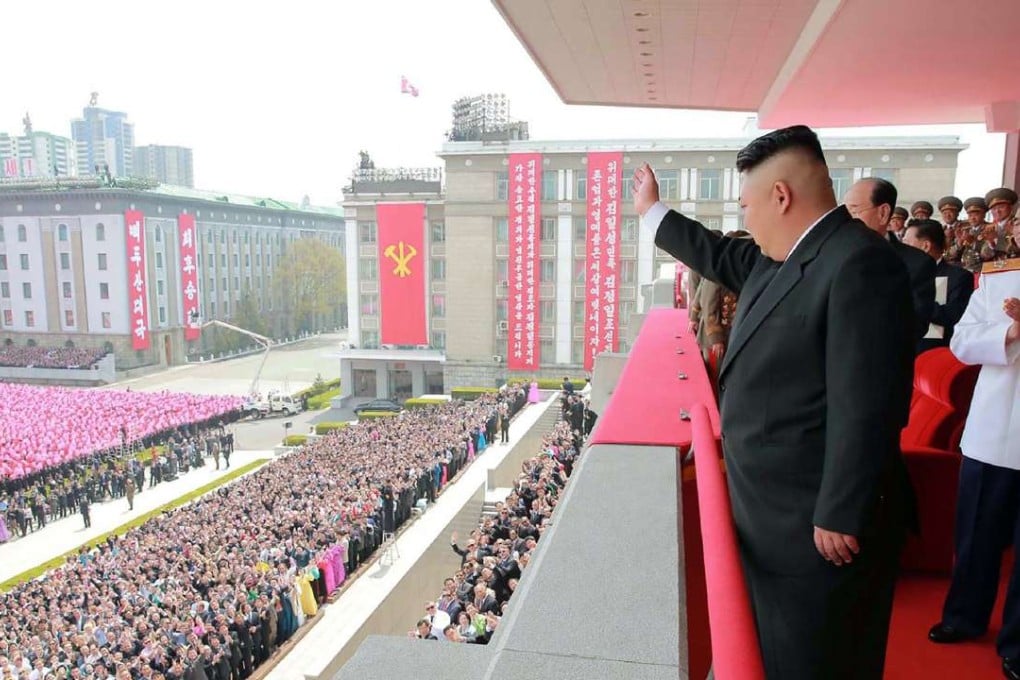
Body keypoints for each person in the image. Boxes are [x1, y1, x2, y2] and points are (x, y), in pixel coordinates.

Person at [634, 124, 916, 679]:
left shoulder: (859, 263)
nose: (745, 219)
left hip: (818, 530)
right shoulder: (776, 258)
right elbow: (715, 253)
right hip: (771, 515)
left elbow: (871, 401)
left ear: (781, 196)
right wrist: (652, 212)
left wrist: (840, 509)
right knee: (773, 653)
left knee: (819, 660)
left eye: (747, 204)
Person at [928, 219, 1020, 680]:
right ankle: (963, 617)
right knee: (976, 536)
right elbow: (962, 342)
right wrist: (1010, 333)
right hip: (995, 433)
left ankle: (1019, 646)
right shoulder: (1000, 279)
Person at [844, 178, 936, 349]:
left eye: (855, 211)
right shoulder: (834, 255)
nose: (847, 220)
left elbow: (914, 325)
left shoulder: (916, 263)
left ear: (883, 213)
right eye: (845, 212)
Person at [902, 219, 974, 352]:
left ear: (925, 246)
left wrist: (915, 304)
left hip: (938, 352)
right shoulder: (901, 275)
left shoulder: (959, 277)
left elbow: (955, 314)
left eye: (906, 243)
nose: (903, 249)